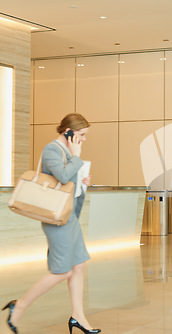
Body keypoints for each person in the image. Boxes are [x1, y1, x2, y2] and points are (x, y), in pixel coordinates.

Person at [2, 113, 100, 334]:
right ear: (68, 132)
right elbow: (63, 177)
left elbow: (69, 186)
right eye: (82, 135)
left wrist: (83, 183)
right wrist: (76, 158)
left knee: (79, 265)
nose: (84, 139)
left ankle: (78, 317)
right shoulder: (52, 150)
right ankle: (19, 305)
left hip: (69, 218)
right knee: (62, 271)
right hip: (56, 221)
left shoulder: (68, 152)